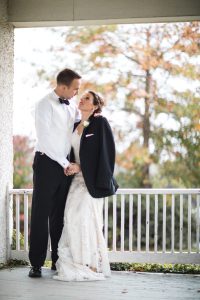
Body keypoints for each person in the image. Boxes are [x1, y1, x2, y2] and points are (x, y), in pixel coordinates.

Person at [53, 91, 118, 282]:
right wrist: (68, 166)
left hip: (92, 183)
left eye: (87, 98)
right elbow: (70, 152)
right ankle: (76, 261)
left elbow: (106, 155)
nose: (81, 99)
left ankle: (89, 263)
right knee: (70, 217)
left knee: (85, 219)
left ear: (96, 105)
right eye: (81, 97)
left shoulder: (100, 123)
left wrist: (81, 167)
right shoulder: (75, 126)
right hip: (75, 181)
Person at [28, 68, 82, 278]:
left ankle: (57, 261)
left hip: (65, 167)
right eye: (75, 88)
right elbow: (45, 138)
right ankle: (36, 263)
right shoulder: (44, 104)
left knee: (59, 215)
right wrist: (64, 163)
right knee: (41, 214)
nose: (77, 92)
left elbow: (77, 131)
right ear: (63, 86)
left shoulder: (72, 107)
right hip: (47, 164)